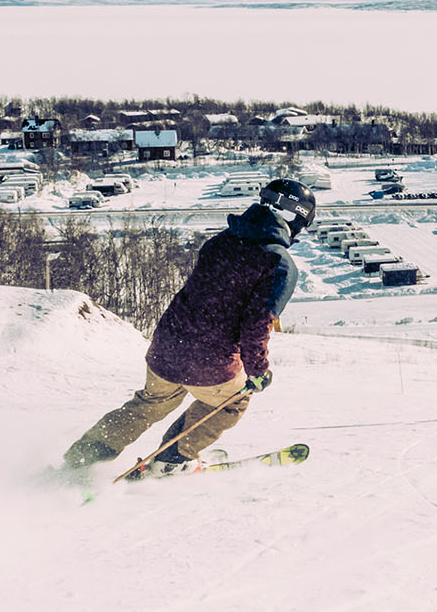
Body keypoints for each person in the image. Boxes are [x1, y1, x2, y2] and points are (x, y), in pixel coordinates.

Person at [61, 178, 315, 479]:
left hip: (167, 345)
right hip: (212, 361)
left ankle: (82, 456)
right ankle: (172, 458)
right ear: (295, 220)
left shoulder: (222, 240)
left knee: (151, 402)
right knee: (232, 402)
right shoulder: (279, 264)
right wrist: (258, 371)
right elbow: (256, 325)